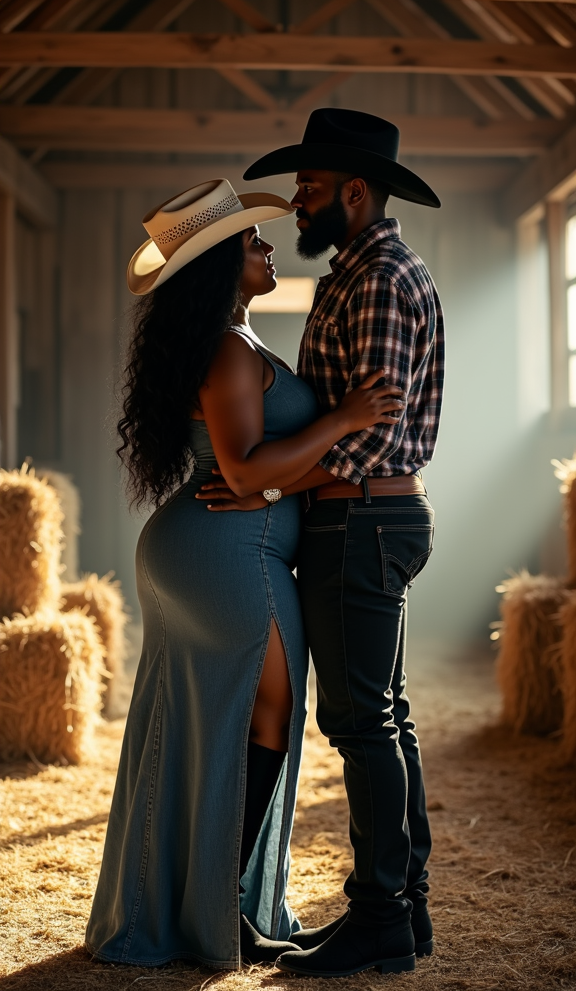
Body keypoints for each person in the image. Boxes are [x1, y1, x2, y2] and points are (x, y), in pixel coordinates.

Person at [84, 178, 405, 970]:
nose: (267, 247)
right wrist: (342, 420)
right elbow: (245, 467)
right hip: (231, 552)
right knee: (269, 710)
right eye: (252, 243)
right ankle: (217, 910)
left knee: (227, 719)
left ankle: (206, 906)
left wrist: (271, 476)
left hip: (217, 547)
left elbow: (257, 472)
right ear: (223, 264)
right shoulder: (229, 349)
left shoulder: (237, 341)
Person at [198, 109, 444, 977]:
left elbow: (365, 440)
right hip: (360, 517)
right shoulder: (353, 273)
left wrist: (261, 480)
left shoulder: (378, 278)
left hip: (364, 515)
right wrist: (266, 476)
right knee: (384, 718)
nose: (295, 206)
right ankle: (400, 909)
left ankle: (382, 912)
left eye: (306, 190)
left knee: (360, 721)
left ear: (354, 191)